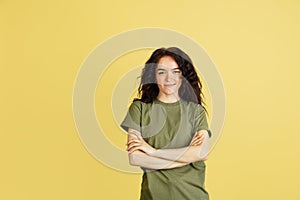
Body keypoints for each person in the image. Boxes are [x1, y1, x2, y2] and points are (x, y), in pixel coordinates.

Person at [121, 47, 211, 200]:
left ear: (183, 76)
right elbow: (135, 158)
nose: (169, 79)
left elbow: (201, 152)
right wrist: (186, 156)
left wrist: (153, 152)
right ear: (153, 76)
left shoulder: (195, 111)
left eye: (175, 72)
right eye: (162, 72)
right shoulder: (140, 109)